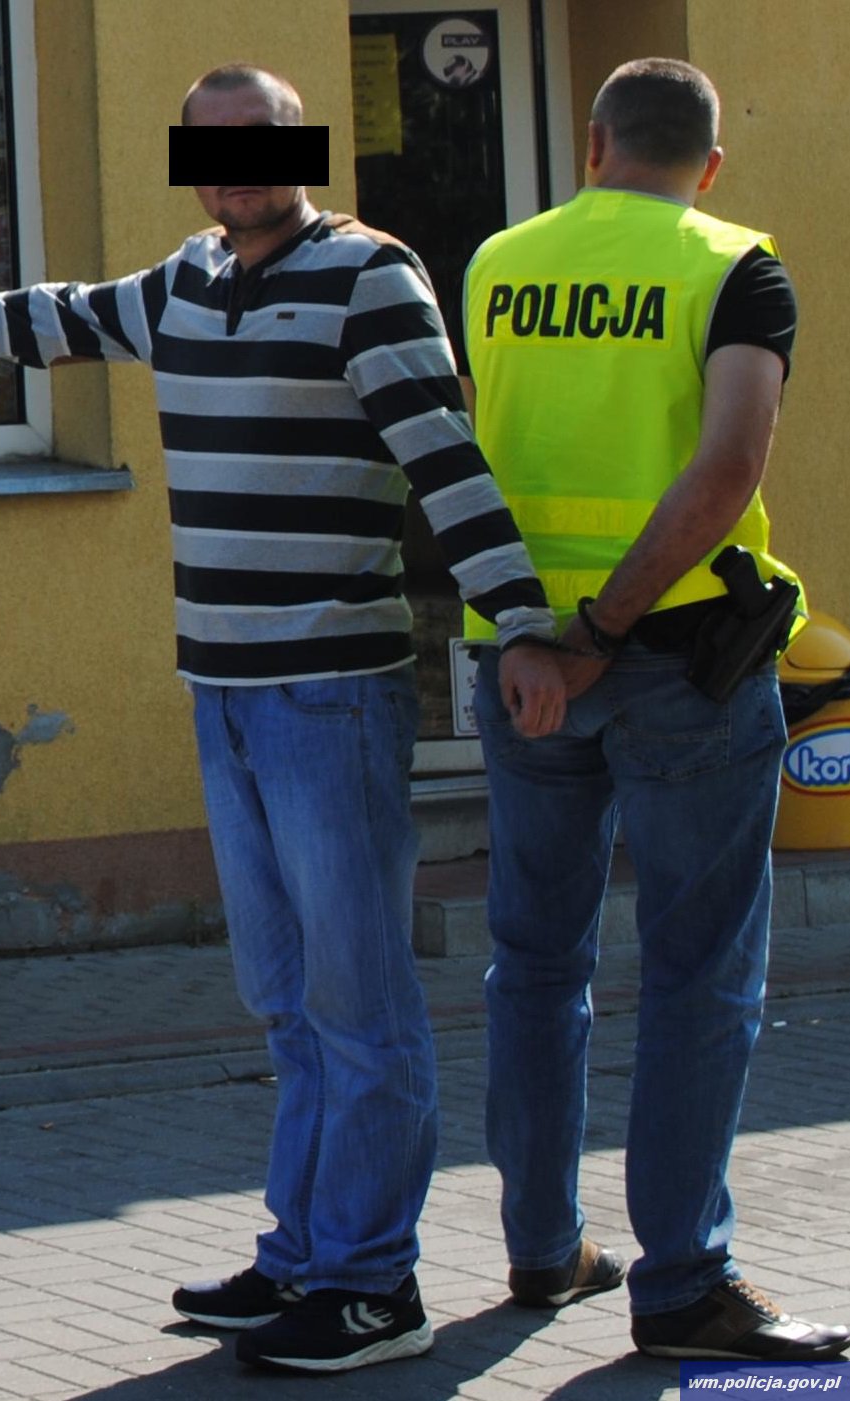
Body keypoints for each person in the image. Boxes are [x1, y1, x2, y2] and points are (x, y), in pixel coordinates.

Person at [0, 63, 565, 1375]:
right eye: (208, 149)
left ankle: (373, 1283)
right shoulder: (190, 279)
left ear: (304, 146)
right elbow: (62, 316)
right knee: (285, 997)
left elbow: (446, 462)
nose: (232, 170)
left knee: (359, 1001)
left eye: (257, 143)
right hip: (222, 694)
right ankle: (301, 1252)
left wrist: (516, 623)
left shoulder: (370, 279)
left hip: (329, 695)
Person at [463, 55, 850, 1362]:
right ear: (711, 164)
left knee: (533, 960)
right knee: (698, 973)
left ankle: (541, 1247)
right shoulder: (733, 266)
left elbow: (474, 453)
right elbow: (728, 463)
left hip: (521, 665)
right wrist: (606, 631)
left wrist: (547, 638)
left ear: (592, 145)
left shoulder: (497, 263)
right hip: (676, 664)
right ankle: (681, 1283)